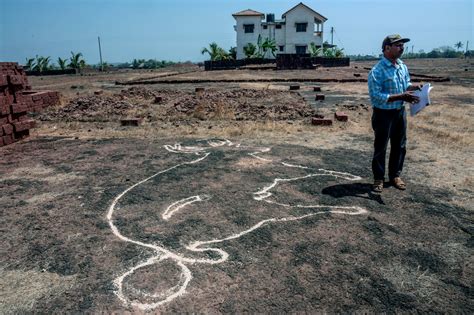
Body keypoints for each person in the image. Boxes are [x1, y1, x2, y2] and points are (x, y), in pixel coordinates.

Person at [368, 34, 421, 193]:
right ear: (386, 48)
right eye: (397, 45)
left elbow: (406, 84)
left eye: (402, 45)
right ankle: (378, 178)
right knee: (381, 147)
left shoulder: (402, 66)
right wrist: (402, 96)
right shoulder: (377, 70)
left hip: (399, 112)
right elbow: (376, 96)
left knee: (400, 145)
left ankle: (395, 175)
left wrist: (414, 88)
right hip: (383, 114)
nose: (401, 47)